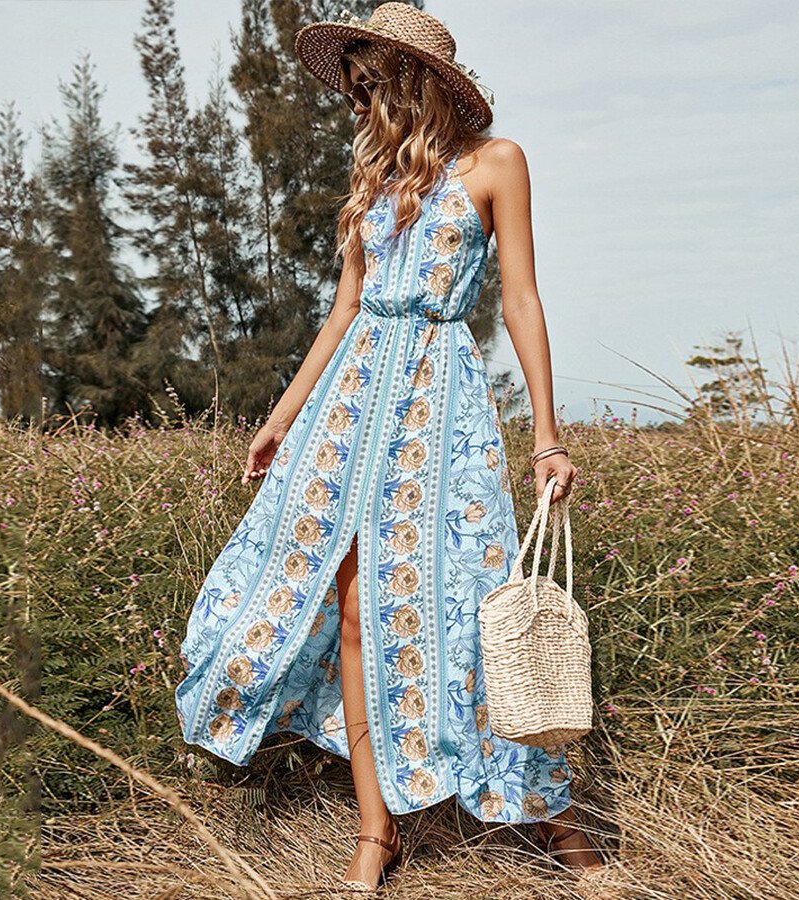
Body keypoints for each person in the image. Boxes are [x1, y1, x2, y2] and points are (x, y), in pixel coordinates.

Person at [175, 2, 606, 892]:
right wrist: (283, 415)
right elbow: (343, 311)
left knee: (478, 600)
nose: (359, 95)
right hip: (349, 406)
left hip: (442, 400)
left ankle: (548, 812)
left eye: (371, 78)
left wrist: (547, 438)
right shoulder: (371, 177)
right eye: (355, 81)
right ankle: (377, 829)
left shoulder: (497, 162)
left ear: (419, 79)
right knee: (351, 608)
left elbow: (521, 300)